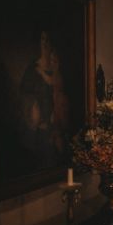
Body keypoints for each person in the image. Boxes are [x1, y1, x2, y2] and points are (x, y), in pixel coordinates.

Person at [19, 30, 68, 170]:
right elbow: (25, 95)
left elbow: (56, 86)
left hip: (56, 118)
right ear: (39, 42)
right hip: (40, 121)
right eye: (42, 39)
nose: (45, 43)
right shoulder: (32, 69)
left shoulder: (56, 69)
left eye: (48, 39)